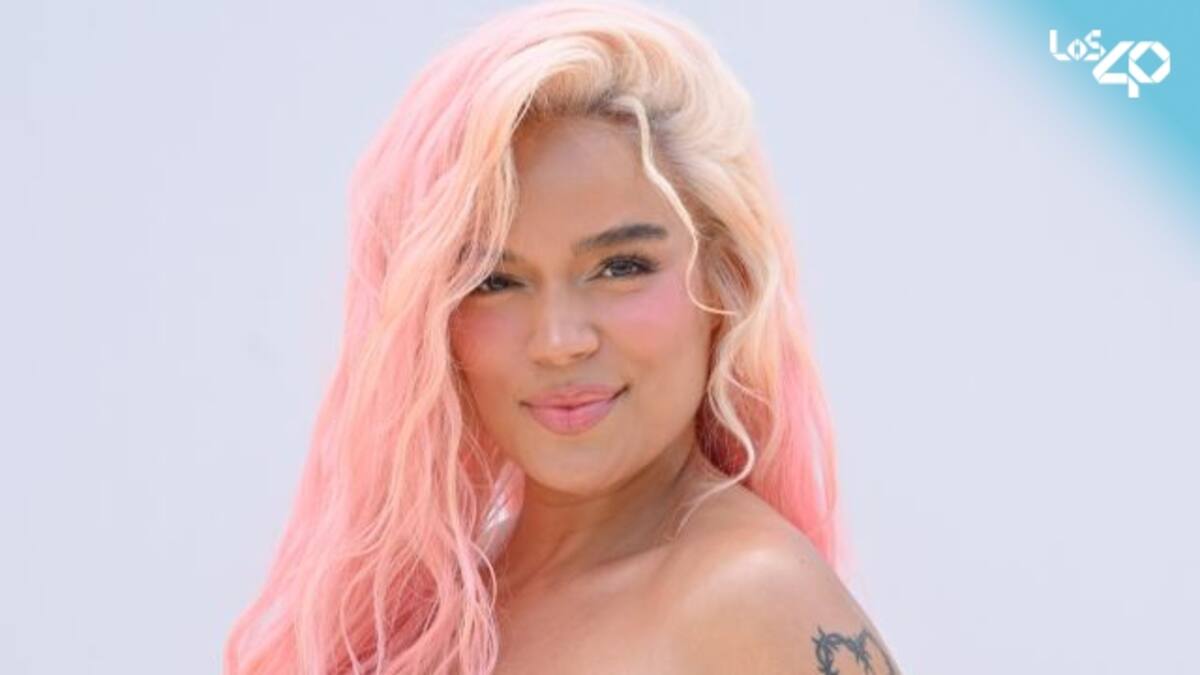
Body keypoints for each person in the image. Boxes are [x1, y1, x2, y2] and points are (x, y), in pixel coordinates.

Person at [224, 1, 901, 673]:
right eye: (495, 280)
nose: (558, 340)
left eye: (621, 267)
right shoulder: (441, 602)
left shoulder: (751, 602)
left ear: (725, 283)